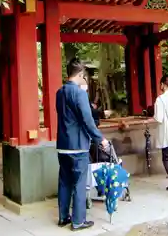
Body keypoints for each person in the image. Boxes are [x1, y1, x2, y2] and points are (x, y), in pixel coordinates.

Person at [56, 58, 109, 231]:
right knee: (79, 183)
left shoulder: (59, 92)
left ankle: (63, 217)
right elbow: (87, 120)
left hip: (62, 144)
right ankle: (78, 221)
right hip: (77, 145)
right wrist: (100, 139)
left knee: (64, 181)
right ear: (80, 74)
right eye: (84, 76)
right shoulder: (79, 94)